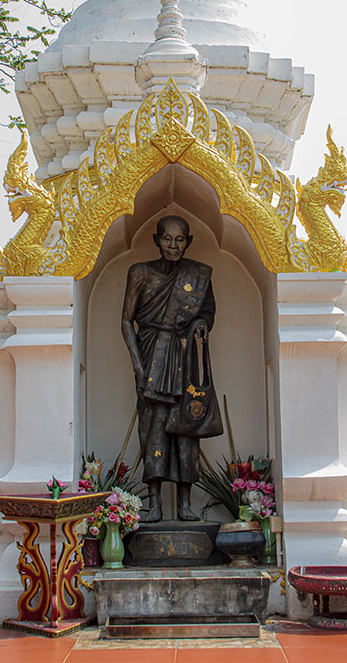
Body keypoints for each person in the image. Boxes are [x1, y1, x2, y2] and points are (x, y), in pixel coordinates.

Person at [122, 215, 222, 522]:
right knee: (152, 429)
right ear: (156, 239)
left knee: (185, 430)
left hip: (183, 356)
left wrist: (202, 325)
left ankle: (185, 505)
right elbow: (127, 321)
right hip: (152, 353)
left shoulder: (198, 275)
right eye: (168, 239)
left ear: (188, 242)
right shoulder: (140, 273)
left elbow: (206, 312)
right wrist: (139, 369)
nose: (173, 246)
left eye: (180, 240)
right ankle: (155, 505)